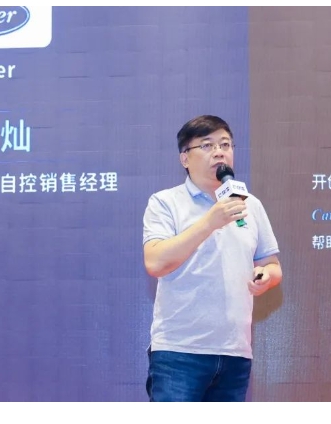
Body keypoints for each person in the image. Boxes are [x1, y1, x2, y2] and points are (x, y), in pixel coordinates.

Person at [142, 115, 282, 402]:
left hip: (235, 353)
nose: (219, 152)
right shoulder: (165, 202)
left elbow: (271, 265)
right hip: (179, 352)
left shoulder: (250, 204)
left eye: (225, 144)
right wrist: (209, 222)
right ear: (185, 158)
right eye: (207, 145)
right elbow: (155, 263)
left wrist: (266, 276)